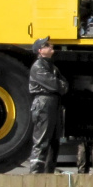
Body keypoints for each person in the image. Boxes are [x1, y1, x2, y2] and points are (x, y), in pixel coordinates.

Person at [27, 36, 68, 174]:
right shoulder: (38, 67)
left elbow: (64, 85)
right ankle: (36, 172)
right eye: (47, 45)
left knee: (54, 140)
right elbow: (56, 84)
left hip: (54, 103)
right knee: (42, 140)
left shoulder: (52, 67)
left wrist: (60, 85)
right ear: (40, 50)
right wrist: (59, 85)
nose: (51, 47)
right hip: (43, 103)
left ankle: (48, 172)